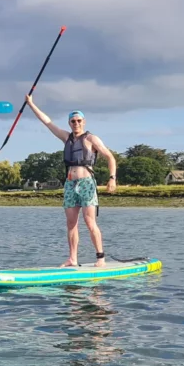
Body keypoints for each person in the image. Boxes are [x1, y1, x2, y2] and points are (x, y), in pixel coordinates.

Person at [25, 95, 117, 267]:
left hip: (87, 184)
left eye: (79, 120)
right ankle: (72, 258)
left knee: (90, 222)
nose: (76, 124)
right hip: (70, 184)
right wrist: (31, 104)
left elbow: (110, 157)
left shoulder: (91, 139)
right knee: (71, 223)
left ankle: (100, 257)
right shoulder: (65, 137)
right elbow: (47, 122)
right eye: (73, 121)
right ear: (69, 123)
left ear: (84, 121)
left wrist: (112, 178)